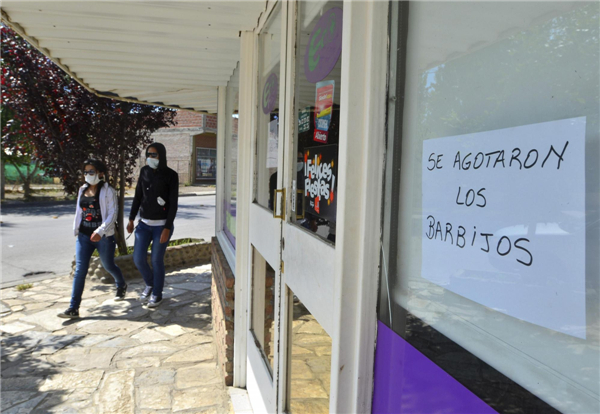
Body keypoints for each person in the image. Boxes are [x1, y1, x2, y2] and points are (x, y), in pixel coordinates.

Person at [58, 159, 127, 319]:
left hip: (103, 237)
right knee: (80, 270)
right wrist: (76, 229)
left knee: (108, 265)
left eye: (91, 172)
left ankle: (121, 283)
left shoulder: (108, 191)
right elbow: (79, 211)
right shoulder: (82, 189)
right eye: (85, 172)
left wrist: (100, 231)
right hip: (84, 236)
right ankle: (73, 308)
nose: (87, 175)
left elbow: (112, 214)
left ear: (100, 173)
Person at [127, 143, 178, 308]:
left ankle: (157, 294)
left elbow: (173, 204)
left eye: (154, 155)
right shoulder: (144, 172)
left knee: (156, 260)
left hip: (161, 226)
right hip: (143, 225)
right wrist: (131, 218)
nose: (150, 157)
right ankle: (150, 284)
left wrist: (167, 227)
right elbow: (137, 196)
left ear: (161, 156)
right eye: (148, 154)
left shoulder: (171, 175)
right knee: (138, 259)